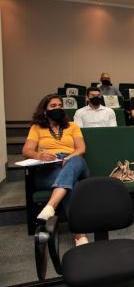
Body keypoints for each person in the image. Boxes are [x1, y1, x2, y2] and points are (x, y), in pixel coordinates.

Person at [22, 94, 89, 246]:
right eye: (53, 106)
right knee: (71, 186)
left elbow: (81, 149)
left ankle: (50, 206)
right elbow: (26, 150)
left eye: (60, 106)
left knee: (76, 160)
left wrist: (70, 157)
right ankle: (79, 234)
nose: (57, 108)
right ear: (45, 111)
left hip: (74, 164)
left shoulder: (72, 126)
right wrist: (40, 155)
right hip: (49, 169)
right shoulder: (37, 128)